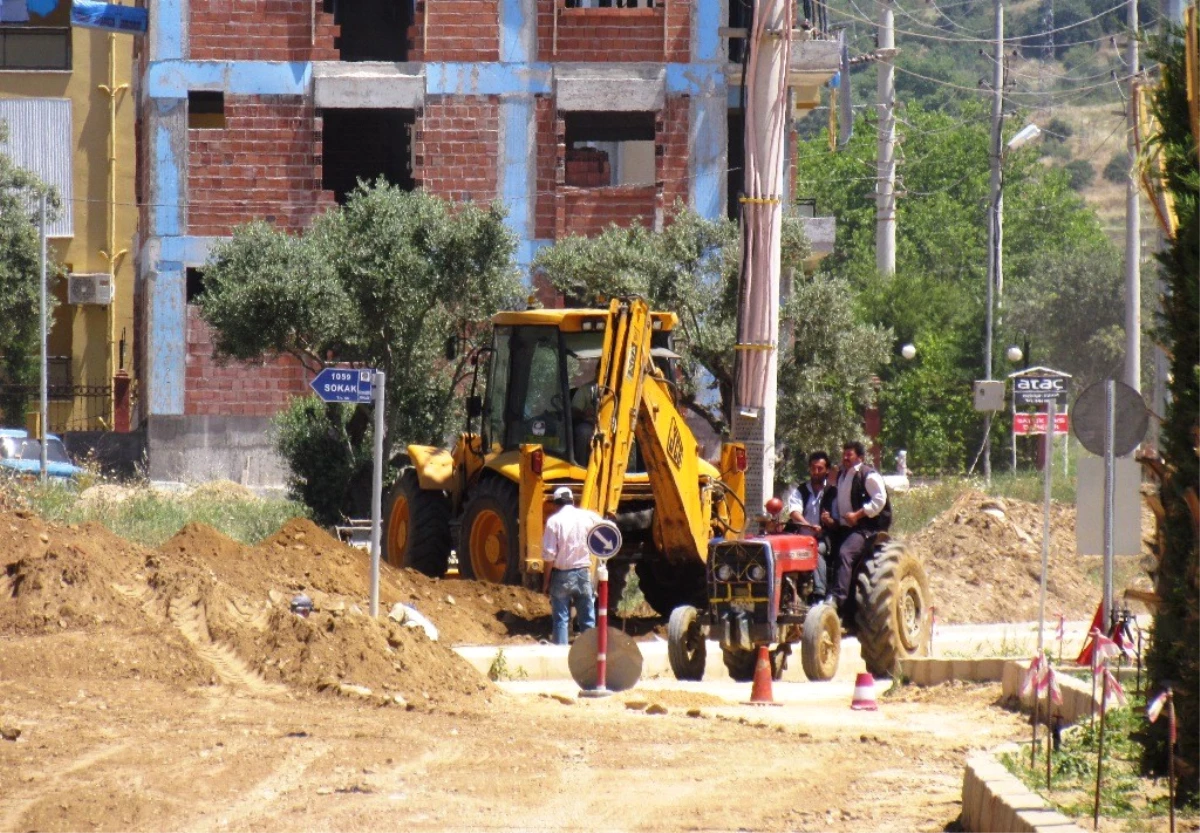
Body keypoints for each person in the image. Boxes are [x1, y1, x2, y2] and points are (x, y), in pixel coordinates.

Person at [827, 441, 887, 611]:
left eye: (849, 454)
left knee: (845, 553)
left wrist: (858, 515)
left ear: (859, 457)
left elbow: (879, 500)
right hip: (844, 527)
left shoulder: (868, 475)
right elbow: (839, 502)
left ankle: (838, 601)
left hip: (864, 529)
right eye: (844, 454)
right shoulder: (842, 475)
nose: (845, 457)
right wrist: (833, 519)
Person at [541, 485, 599, 644]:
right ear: (572, 501)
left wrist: (546, 582)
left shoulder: (554, 521)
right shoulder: (588, 517)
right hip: (583, 574)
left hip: (561, 575)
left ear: (555, 504)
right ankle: (591, 654)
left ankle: (560, 656)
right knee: (587, 619)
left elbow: (549, 555)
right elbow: (604, 528)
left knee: (561, 620)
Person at [784, 451, 838, 601]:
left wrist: (828, 522)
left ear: (827, 470)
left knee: (816, 549)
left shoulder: (833, 492)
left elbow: (837, 522)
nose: (815, 472)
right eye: (813, 468)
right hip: (799, 537)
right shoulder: (800, 490)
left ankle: (819, 593)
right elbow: (794, 513)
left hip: (823, 538)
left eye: (820, 468)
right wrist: (808, 526)